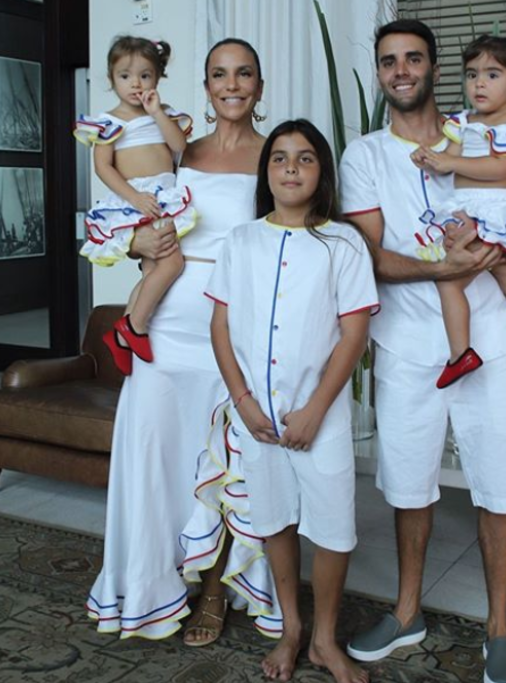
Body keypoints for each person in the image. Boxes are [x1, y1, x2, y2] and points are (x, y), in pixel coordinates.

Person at [339, 19, 506, 683]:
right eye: (389, 61)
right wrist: (444, 268)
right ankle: (407, 611)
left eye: (413, 58)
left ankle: (499, 628)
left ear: (434, 69)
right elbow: (368, 256)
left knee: (499, 483)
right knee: (409, 484)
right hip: (407, 346)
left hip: (489, 341)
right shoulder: (365, 156)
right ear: (380, 73)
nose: (401, 70)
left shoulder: (484, 129)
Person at [86, 38, 282, 645]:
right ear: (204, 86)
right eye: (219, 74)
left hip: (234, 328)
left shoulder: (276, 156)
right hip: (165, 327)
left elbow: (289, 241)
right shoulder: (180, 150)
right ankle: (150, 585)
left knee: (221, 463)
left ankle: (215, 594)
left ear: (258, 85)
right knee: (155, 456)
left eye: (243, 74)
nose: (231, 85)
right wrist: (133, 244)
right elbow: (138, 216)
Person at [208, 119, 378, 683]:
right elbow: (221, 326)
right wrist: (242, 401)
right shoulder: (241, 240)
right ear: (266, 172)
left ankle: (325, 640)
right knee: (275, 518)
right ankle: (292, 629)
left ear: (321, 171)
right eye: (279, 158)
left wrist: (314, 411)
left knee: (332, 527)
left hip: (319, 415)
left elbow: (353, 335)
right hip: (256, 415)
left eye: (305, 158)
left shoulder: (344, 243)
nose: (290, 168)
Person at [410, 35, 506, 388]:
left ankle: (461, 354)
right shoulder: (464, 122)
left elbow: (503, 171)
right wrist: (430, 159)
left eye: (492, 75)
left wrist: (450, 161)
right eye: (472, 74)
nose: (479, 83)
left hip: (495, 214)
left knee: (450, 281)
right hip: (472, 209)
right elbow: (449, 161)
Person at [75, 36, 198, 374]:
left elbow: (180, 147)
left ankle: (124, 334)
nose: (136, 84)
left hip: (163, 196)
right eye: (125, 76)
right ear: (111, 78)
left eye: (145, 75)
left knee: (153, 271)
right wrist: (134, 198)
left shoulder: (163, 114)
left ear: (157, 78)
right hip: (139, 200)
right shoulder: (109, 122)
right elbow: (103, 167)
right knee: (172, 262)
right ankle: (134, 327)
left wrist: (157, 112)